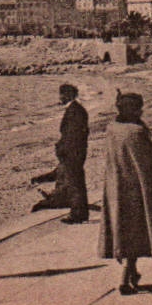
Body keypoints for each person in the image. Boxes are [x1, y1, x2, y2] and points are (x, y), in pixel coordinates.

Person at [97, 91, 152, 294]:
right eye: (138, 108)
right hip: (136, 190)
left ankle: (131, 273)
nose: (141, 111)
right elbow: (149, 164)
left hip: (116, 190)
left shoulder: (111, 129)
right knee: (135, 234)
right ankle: (125, 276)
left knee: (122, 233)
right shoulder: (137, 133)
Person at [31, 83, 90, 223]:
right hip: (76, 153)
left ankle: (78, 214)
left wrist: (62, 150)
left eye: (61, 94)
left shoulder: (74, 111)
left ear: (68, 95)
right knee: (76, 183)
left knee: (75, 184)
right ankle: (79, 213)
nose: (60, 97)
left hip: (72, 154)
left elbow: (72, 136)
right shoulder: (77, 110)